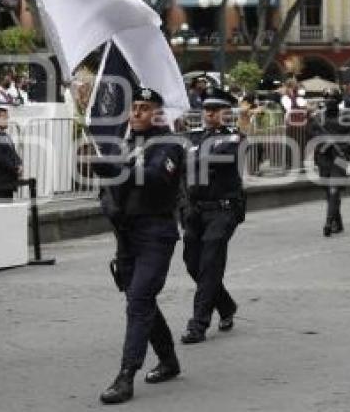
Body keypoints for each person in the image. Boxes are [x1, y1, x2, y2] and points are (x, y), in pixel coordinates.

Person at [91, 87, 184, 405]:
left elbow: (158, 177)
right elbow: (110, 190)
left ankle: (126, 375)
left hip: (156, 232)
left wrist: (120, 171)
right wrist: (109, 203)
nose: (136, 113)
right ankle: (169, 360)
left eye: (144, 108)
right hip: (126, 235)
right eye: (134, 107)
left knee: (139, 301)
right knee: (139, 299)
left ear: (158, 113)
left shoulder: (169, 145)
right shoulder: (126, 144)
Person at [181, 88, 245, 344]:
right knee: (192, 264)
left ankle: (198, 324)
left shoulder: (235, 138)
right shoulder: (191, 137)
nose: (209, 113)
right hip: (194, 209)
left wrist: (191, 156)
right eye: (207, 108)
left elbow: (217, 160)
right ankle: (226, 305)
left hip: (223, 209)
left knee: (209, 264)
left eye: (216, 109)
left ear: (227, 112)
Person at [312, 91, 350, 236]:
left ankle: (329, 223)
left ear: (338, 100)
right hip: (324, 158)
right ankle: (338, 221)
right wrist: (324, 143)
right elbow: (313, 135)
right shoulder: (318, 117)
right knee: (329, 194)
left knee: (334, 190)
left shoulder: (346, 116)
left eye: (333, 98)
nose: (330, 101)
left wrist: (344, 147)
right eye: (327, 98)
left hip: (340, 158)